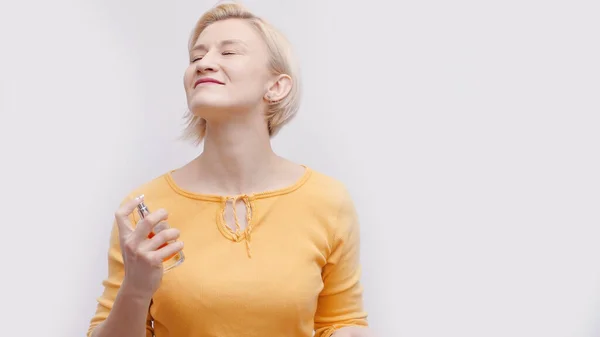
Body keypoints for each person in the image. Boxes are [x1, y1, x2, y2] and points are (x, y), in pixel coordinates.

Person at [86, 3, 373, 337]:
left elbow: (343, 322)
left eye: (230, 52)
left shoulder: (327, 200)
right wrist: (135, 288)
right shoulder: (147, 210)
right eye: (196, 57)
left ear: (277, 86)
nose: (204, 63)